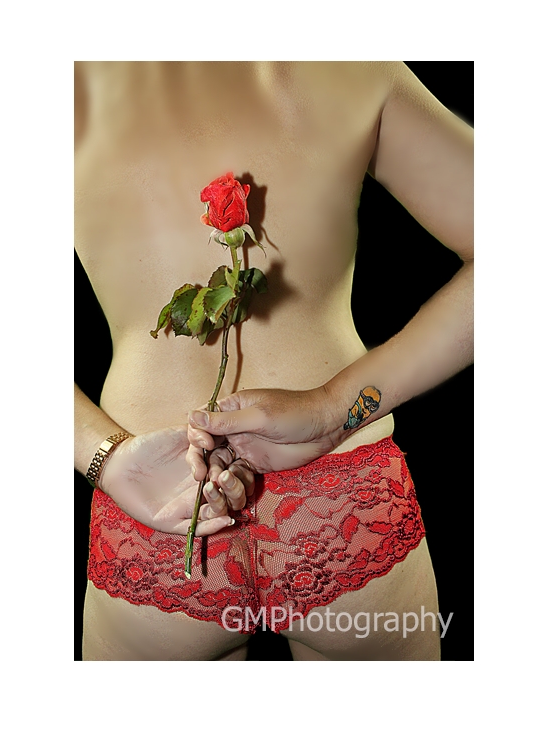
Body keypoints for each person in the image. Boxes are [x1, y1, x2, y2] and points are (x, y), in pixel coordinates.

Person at [75, 61, 473, 661]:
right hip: (342, 493)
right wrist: (335, 409)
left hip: (156, 493)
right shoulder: (348, 62)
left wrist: (102, 457)